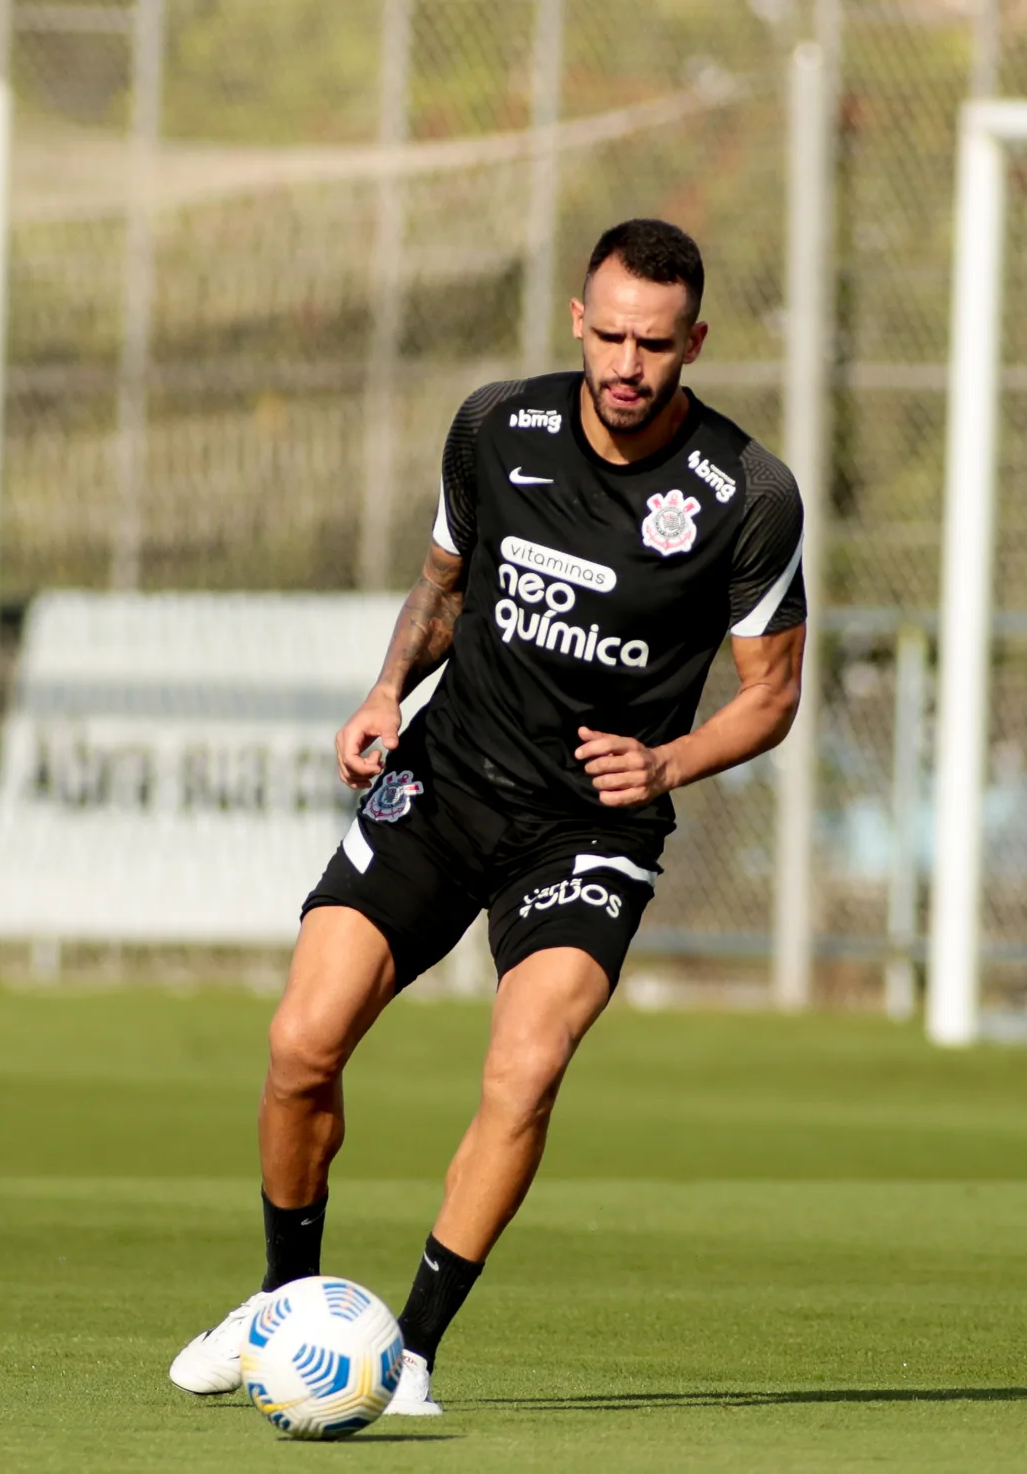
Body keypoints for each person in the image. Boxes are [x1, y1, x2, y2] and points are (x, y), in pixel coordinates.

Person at [168, 218, 807, 1416]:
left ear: (695, 343)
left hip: (589, 831)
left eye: (656, 344)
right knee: (301, 1044)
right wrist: (381, 691)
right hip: (447, 778)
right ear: (576, 319)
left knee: (524, 1069)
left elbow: (769, 695)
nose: (627, 363)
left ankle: (408, 1352)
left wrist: (667, 764)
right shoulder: (494, 426)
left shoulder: (746, 495)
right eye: (609, 333)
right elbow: (444, 588)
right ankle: (282, 1311)